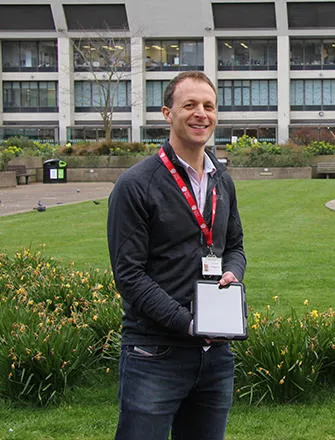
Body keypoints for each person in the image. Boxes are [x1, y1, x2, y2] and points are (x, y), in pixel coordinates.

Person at [107, 71, 246, 440]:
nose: (202, 114)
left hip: (216, 356)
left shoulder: (221, 179)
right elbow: (129, 276)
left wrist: (233, 274)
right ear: (167, 113)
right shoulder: (136, 185)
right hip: (156, 352)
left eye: (209, 106)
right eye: (190, 105)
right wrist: (189, 323)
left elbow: (234, 246)